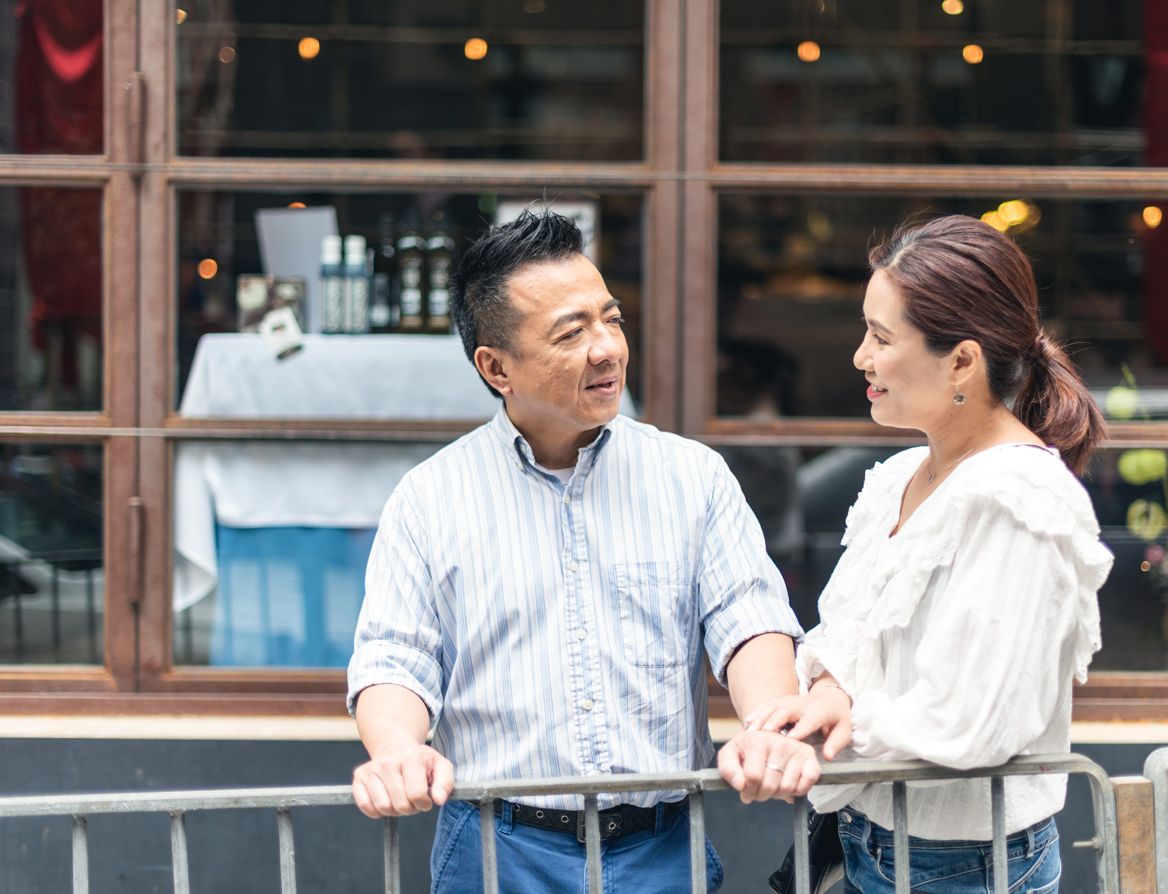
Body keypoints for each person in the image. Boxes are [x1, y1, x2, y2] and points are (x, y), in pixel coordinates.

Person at [346, 210, 817, 894]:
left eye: (611, 320)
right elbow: (396, 656)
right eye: (571, 332)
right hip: (497, 848)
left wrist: (770, 722)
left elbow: (747, 617)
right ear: (496, 367)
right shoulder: (431, 498)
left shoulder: (691, 476)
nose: (606, 349)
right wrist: (395, 751)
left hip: (661, 849)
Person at [726, 214, 1114, 893]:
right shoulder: (900, 476)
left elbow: (975, 720)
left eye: (881, 338)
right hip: (869, 840)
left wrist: (840, 727)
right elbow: (849, 632)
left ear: (962, 360)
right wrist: (829, 690)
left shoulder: (1021, 500)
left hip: (966, 867)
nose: (861, 357)